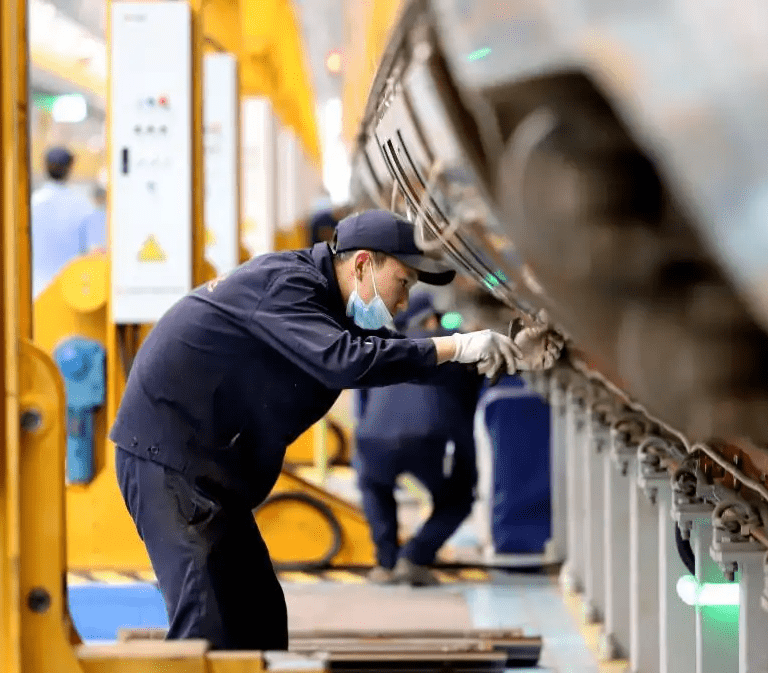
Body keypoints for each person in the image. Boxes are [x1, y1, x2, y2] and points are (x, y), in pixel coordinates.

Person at [111, 209, 548, 651]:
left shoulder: (327, 306)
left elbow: (389, 355)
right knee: (203, 622)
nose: (402, 303)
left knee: (259, 615)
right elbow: (347, 360)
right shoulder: (286, 285)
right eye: (404, 283)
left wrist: (481, 354)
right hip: (167, 462)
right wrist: (454, 344)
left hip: (211, 473)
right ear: (363, 264)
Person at [353, 293, 485, 586]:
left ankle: (386, 564)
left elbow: (361, 399)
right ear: (428, 319)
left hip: (373, 436)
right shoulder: (452, 343)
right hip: (433, 438)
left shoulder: (381, 345)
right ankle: (414, 557)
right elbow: (479, 383)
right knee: (459, 497)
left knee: (374, 486)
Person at [30, 146, 97, 296]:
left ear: (44, 166)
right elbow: (93, 252)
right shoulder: (83, 206)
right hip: (71, 292)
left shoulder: (31, 205)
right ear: (71, 167)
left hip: (35, 292)